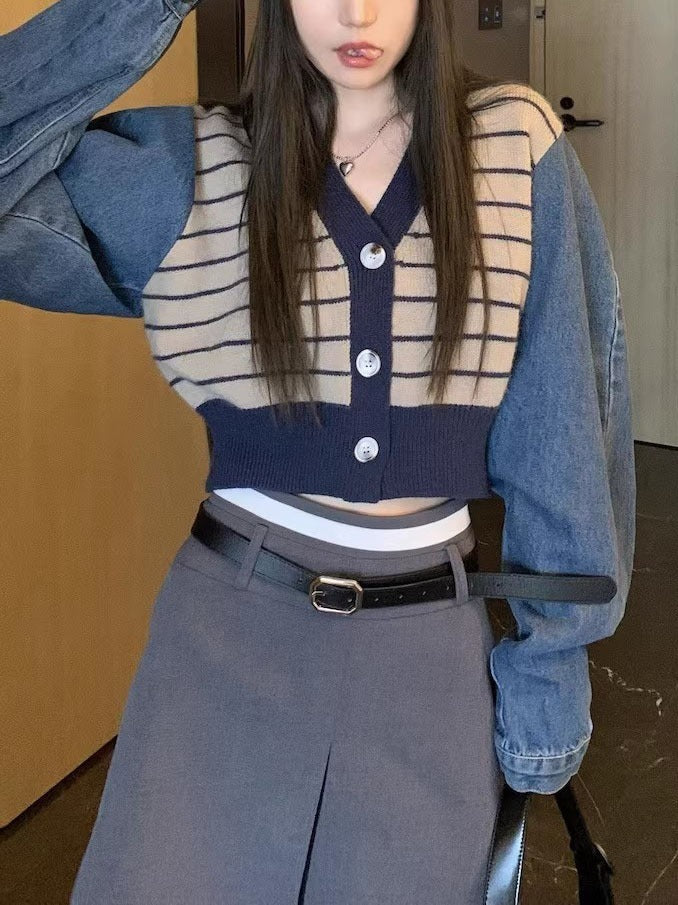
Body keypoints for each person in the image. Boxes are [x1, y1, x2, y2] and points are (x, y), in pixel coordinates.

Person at [0, 0, 635, 902]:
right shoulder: (196, 165)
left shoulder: (515, 148)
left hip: (428, 658)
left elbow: (567, 423)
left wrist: (551, 664)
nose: (355, 11)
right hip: (223, 646)